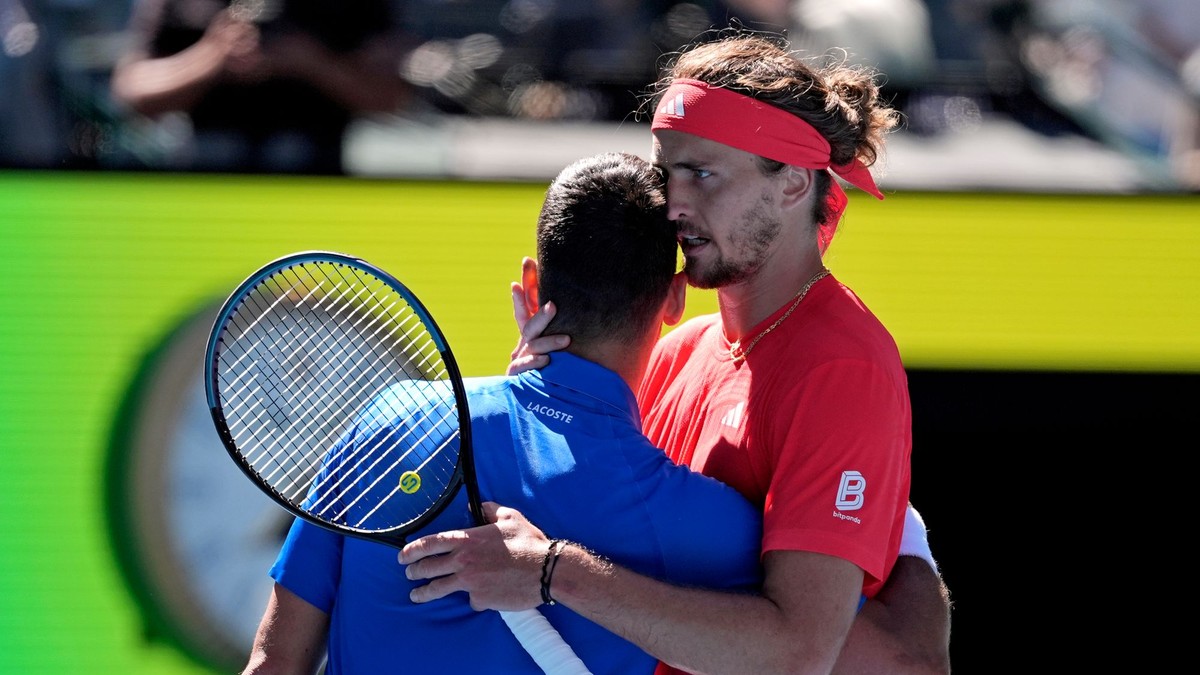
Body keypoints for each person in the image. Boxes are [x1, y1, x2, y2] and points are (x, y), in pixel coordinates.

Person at [400, 30, 952, 675]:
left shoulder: (842, 369)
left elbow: (797, 655)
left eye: (703, 173)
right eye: (667, 172)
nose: (672, 205)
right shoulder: (678, 348)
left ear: (795, 184)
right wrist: (538, 395)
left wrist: (554, 572)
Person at [241, 151, 765, 674]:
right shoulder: (712, 526)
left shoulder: (390, 419)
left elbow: (273, 663)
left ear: (532, 287)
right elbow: (806, 646)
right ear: (674, 300)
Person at [109, 0, 409, 174]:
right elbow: (131, 93)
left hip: (315, 197)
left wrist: (313, 62)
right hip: (205, 198)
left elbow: (393, 98)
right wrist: (211, 57)